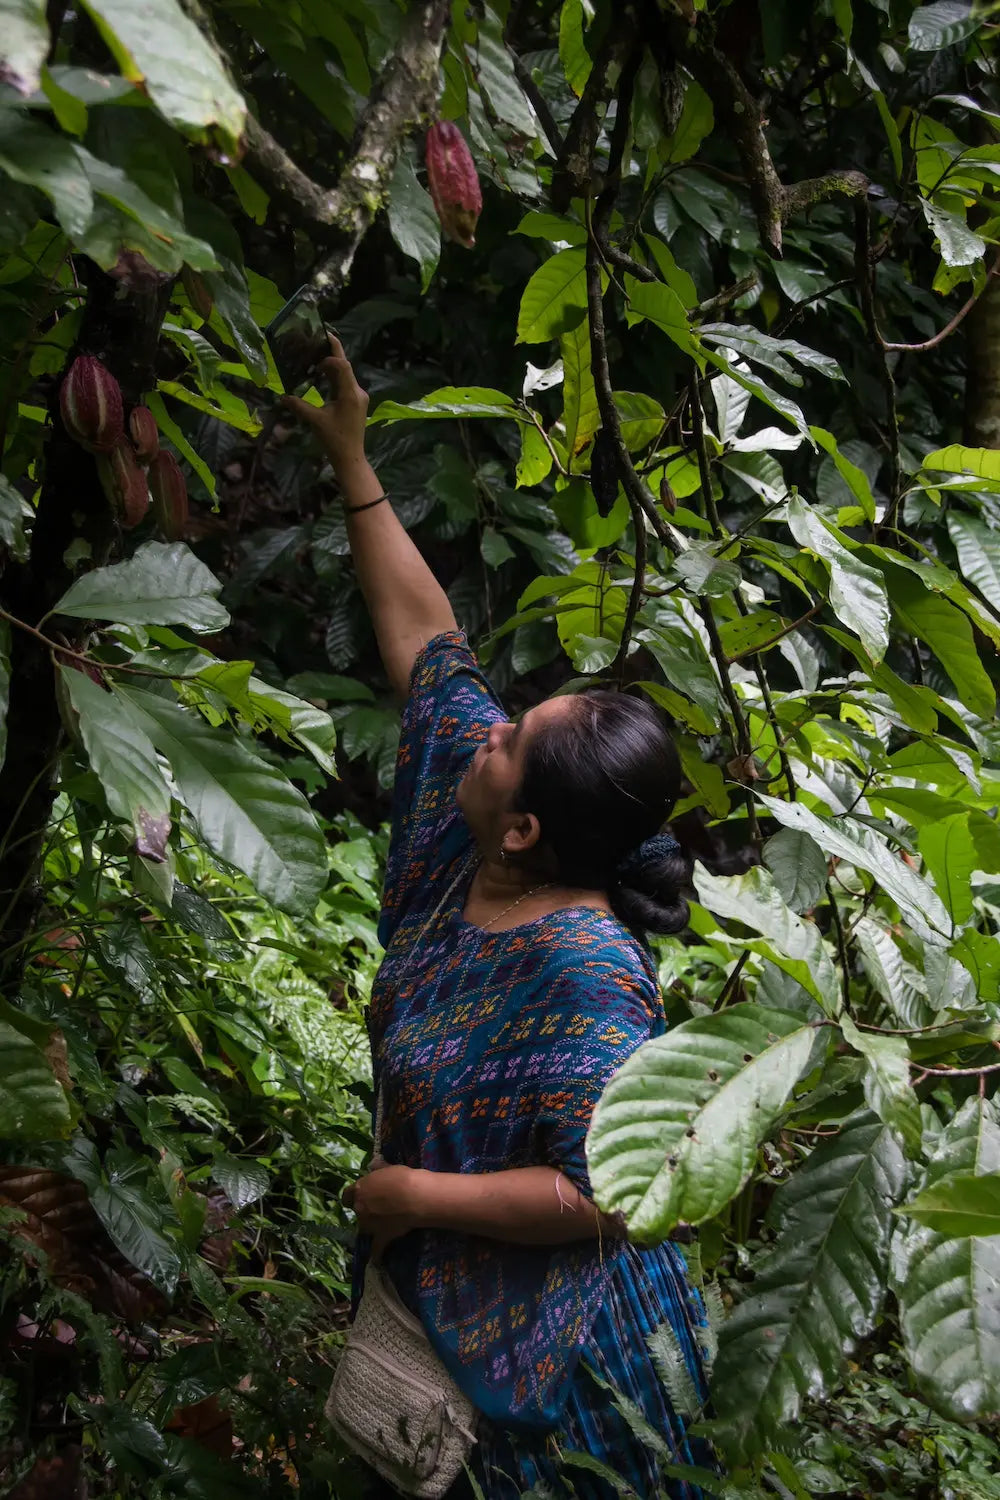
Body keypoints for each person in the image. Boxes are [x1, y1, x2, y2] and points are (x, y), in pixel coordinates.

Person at [285, 340, 716, 1499]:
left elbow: (610, 1196)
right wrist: (353, 461)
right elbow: (429, 649)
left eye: (510, 738)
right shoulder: (460, 845)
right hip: (443, 1322)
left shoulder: (585, 971)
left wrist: (413, 1197)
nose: (486, 727)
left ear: (525, 827)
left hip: (570, 1374)